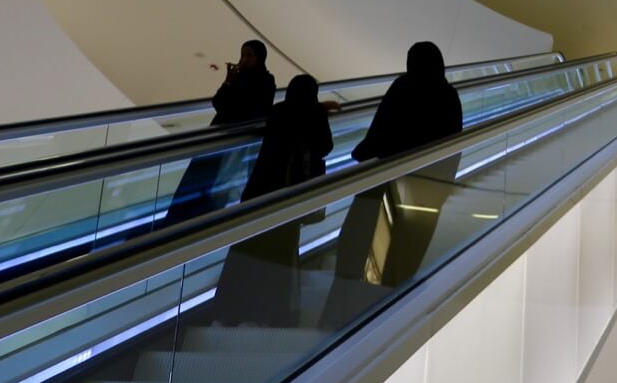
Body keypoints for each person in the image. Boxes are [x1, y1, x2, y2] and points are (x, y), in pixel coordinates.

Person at [323, 42, 465, 325]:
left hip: (381, 185)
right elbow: (452, 150)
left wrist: (366, 156)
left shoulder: (403, 86)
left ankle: (339, 320)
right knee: (399, 260)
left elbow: (379, 131)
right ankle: (382, 322)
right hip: (421, 195)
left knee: (358, 252)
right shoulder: (448, 97)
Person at [214, 74, 332, 327]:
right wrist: (320, 111)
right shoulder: (314, 114)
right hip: (290, 197)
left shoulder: (278, 111)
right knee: (280, 255)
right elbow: (325, 147)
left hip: (259, 191)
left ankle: (232, 311)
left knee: (247, 250)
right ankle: (275, 313)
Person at [165, 40, 278, 226]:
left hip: (237, 142)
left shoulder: (266, 80)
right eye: (242, 55)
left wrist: (232, 105)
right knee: (199, 180)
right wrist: (228, 81)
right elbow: (218, 103)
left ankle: (203, 223)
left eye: (249, 55)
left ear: (259, 58)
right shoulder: (238, 77)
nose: (244, 59)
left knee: (220, 184)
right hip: (219, 136)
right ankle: (179, 221)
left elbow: (256, 110)